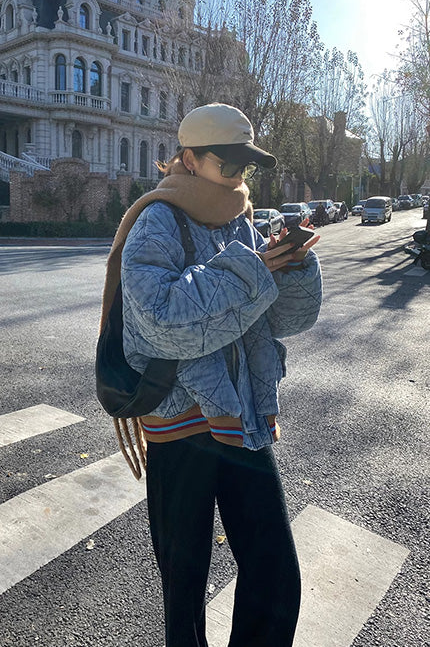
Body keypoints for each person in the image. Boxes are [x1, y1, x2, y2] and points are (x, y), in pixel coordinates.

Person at [101, 103, 322, 647]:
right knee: (184, 586)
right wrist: (250, 271)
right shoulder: (156, 220)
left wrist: (290, 269)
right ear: (190, 159)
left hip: (240, 415)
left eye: (246, 165)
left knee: (276, 574)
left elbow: (274, 322)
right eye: (229, 163)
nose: (240, 176)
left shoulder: (242, 219)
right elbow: (159, 321)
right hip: (180, 425)